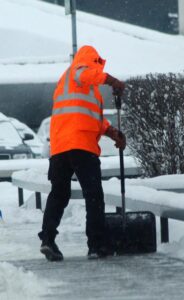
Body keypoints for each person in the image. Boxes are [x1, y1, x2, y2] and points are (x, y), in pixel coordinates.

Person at [38, 45, 126, 261]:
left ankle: (48, 240)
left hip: (60, 147)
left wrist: (111, 132)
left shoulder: (82, 88)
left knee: (59, 194)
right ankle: (96, 245)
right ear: (92, 60)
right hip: (81, 146)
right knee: (93, 194)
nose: (96, 68)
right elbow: (87, 73)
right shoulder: (78, 70)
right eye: (97, 64)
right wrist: (112, 80)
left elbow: (91, 119)